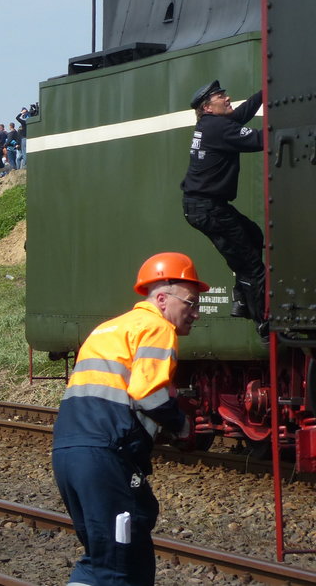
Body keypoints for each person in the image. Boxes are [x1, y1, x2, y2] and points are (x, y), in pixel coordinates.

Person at [52, 252, 204, 586]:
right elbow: (147, 393)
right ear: (162, 299)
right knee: (121, 564)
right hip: (105, 455)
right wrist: (181, 426)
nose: (196, 312)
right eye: (190, 303)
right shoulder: (157, 327)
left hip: (68, 453)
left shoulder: (108, 328)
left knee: (103, 558)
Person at [180, 79, 265, 327]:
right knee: (252, 265)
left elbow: (240, 115)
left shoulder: (212, 124)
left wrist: (264, 93)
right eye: (221, 96)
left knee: (253, 235)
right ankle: (263, 322)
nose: (227, 98)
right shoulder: (219, 128)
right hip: (209, 208)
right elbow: (260, 140)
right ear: (208, 107)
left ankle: (240, 298)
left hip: (203, 206)